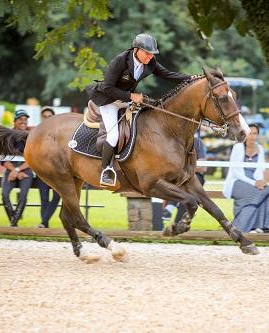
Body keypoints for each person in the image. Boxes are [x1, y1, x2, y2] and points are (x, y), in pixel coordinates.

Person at [87, 33, 193, 186]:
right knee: (114, 136)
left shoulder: (151, 62)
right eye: (147, 53)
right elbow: (107, 87)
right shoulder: (120, 61)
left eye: (152, 54)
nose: (149, 57)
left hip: (126, 100)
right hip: (108, 100)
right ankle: (106, 170)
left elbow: (167, 74)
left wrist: (190, 78)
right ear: (136, 50)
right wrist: (131, 96)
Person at [223, 124, 269, 233]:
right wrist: (254, 183)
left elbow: (260, 169)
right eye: (250, 133)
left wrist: (259, 181)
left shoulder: (260, 148)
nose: (252, 136)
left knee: (268, 191)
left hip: (254, 181)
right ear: (245, 134)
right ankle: (240, 226)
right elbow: (236, 172)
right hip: (237, 181)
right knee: (256, 192)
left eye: (255, 133)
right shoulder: (238, 147)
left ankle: (261, 226)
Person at [162, 135, 207, 223]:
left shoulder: (197, 142)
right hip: (178, 178)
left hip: (195, 177)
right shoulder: (174, 142)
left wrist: (184, 168)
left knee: (188, 190)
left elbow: (203, 167)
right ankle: (177, 223)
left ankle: (170, 209)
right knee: (188, 196)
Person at [1, 109, 33, 227]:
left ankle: (13, 224)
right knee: (4, 195)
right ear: (14, 121)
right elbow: (3, 158)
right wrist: (15, 171)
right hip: (11, 170)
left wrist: (18, 170)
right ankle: (14, 223)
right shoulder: (7, 136)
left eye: (25, 119)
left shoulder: (30, 136)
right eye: (20, 119)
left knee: (23, 196)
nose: (23, 122)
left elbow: (33, 159)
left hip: (25, 169)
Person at [37, 107, 60, 228]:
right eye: (45, 117)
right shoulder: (37, 134)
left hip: (57, 173)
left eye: (49, 116)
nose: (47, 119)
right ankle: (44, 224)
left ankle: (43, 223)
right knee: (44, 199)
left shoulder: (60, 133)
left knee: (57, 197)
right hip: (43, 173)